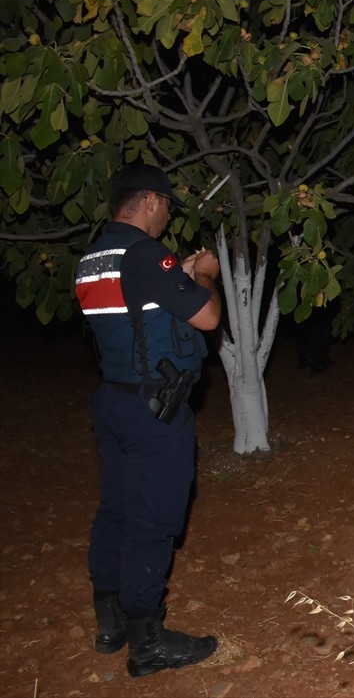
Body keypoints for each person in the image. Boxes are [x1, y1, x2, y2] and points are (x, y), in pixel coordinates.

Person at [73, 163, 223, 677]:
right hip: (153, 410)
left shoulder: (94, 257)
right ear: (151, 202)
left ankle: (111, 621)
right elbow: (207, 317)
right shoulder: (143, 253)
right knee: (153, 520)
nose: (165, 222)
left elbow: (134, 310)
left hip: (113, 401)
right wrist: (203, 274)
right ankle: (147, 643)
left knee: (115, 509)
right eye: (165, 210)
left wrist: (171, 275)